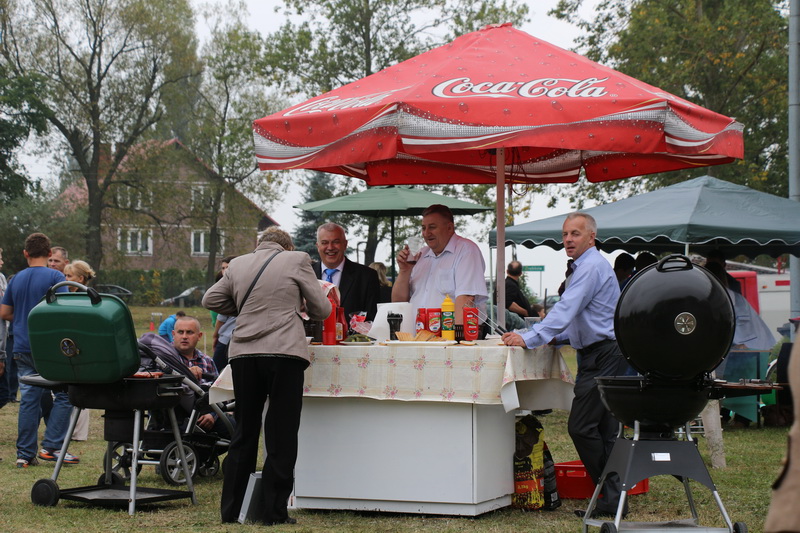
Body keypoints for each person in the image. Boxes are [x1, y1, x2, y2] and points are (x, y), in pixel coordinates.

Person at [501, 212, 629, 518]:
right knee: (605, 431)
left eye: (575, 234)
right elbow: (587, 318)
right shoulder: (585, 266)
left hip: (605, 355)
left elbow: (567, 309)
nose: (568, 240)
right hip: (599, 353)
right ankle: (613, 501)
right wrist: (553, 338)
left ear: (591, 237)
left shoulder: (591, 266)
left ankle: (610, 494)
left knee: (581, 427)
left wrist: (531, 337)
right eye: (565, 234)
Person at [203, 226, 330, 525]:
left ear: (260, 245)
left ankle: (231, 510)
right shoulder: (297, 259)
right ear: (287, 247)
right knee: (281, 432)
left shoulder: (237, 264)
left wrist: (244, 307)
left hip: (244, 355)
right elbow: (322, 309)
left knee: (244, 430)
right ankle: (274, 512)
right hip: (284, 352)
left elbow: (210, 299)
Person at [0, 233, 80, 468]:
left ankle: (24, 455)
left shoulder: (16, 278)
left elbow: (4, 313)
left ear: (25, 253)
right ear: (49, 253)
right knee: (66, 394)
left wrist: (25, 318)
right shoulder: (55, 276)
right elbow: (64, 311)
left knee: (29, 399)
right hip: (48, 348)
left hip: (22, 346)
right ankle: (52, 446)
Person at [392, 204, 488, 324]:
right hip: (417, 333)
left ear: (449, 228)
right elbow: (398, 303)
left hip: (449, 333)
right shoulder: (420, 254)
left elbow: (466, 300)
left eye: (432, 227)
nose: (426, 233)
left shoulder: (467, 251)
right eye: (423, 228)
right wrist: (404, 271)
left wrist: (455, 335)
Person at [313, 222, 380, 321]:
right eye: (324, 243)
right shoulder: (305, 274)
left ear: (345, 245)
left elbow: (372, 318)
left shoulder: (367, 277)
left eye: (336, 242)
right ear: (318, 246)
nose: (330, 247)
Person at [171, 315, 226, 434]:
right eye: (180, 332)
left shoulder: (207, 361)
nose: (184, 336)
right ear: (173, 334)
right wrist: (186, 373)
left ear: (199, 336)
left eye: (189, 332)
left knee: (234, 428)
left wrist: (212, 414)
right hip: (175, 417)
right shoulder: (166, 359)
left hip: (205, 415)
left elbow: (218, 392)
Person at [63, 259, 97, 441]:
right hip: (72, 345)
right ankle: (72, 429)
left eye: (69, 276)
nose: (65, 279)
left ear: (80, 279)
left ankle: (78, 432)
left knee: (80, 390)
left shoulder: (86, 298)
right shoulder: (68, 296)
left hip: (80, 347)